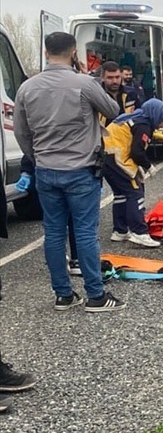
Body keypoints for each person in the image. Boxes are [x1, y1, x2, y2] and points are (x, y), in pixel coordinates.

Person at [13, 31, 125, 312]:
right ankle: (96, 295)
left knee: (53, 232)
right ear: (74, 52)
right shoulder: (84, 83)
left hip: (46, 169)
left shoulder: (27, 88)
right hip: (81, 169)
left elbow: (21, 131)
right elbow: (113, 110)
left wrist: (36, 157)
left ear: (46, 52)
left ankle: (63, 295)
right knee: (85, 232)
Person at [102, 98, 163, 248]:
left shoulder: (136, 117)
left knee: (121, 194)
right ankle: (139, 232)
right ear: (155, 115)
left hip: (106, 157)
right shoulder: (143, 125)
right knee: (135, 192)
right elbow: (137, 152)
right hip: (118, 158)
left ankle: (120, 230)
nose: (162, 124)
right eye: (162, 120)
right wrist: (148, 166)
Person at [18, 155, 82, 274]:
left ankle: (58, 264)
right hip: (77, 170)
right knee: (79, 222)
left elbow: (29, 146)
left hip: (46, 170)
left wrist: (26, 170)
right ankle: (77, 261)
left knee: (54, 225)